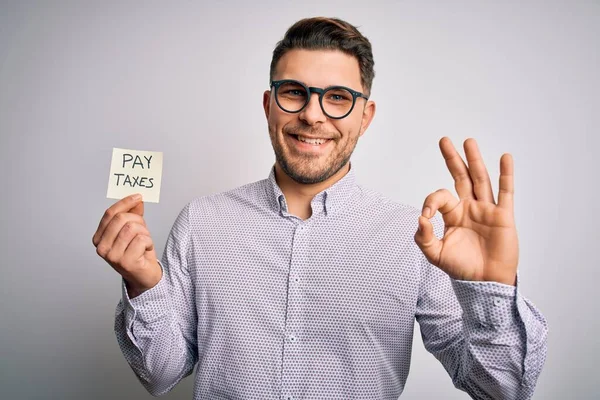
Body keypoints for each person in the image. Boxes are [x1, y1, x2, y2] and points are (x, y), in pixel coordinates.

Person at [92, 17, 547, 400]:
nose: (313, 115)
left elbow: (501, 390)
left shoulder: (415, 236)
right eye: (294, 92)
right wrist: (143, 283)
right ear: (270, 106)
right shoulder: (201, 221)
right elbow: (160, 374)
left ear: (364, 117)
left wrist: (489, 289)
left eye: (337, 97)